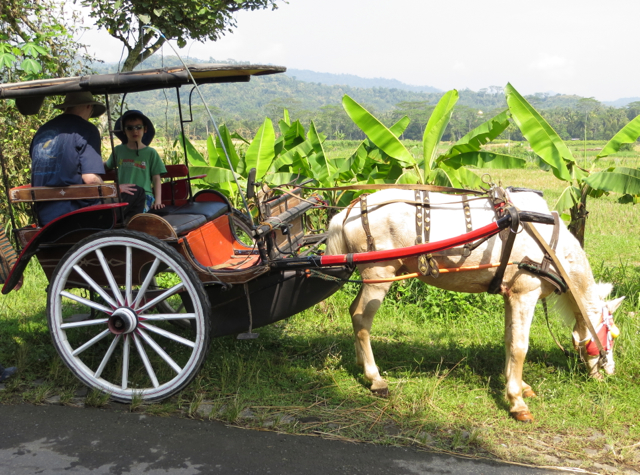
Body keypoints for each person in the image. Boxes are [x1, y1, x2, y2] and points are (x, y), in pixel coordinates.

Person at [29, 91, 145, 226]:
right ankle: (122, 238)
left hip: (45, 216)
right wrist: (113, 188)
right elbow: (90, 179)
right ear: (89, 107)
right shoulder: (86, 129)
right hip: (77, 214)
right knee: (137, 192)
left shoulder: (42, 131)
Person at [105, 110, 166, 212]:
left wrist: (158, 201)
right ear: (124, 131)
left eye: (138, 127)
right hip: (123, 195)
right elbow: (107, 165)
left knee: (136, 217)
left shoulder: (151, 153)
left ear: (145, 129)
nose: (135, 131)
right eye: (130, 128)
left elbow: (156, 178)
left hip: (145, 196)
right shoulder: (118, 151)